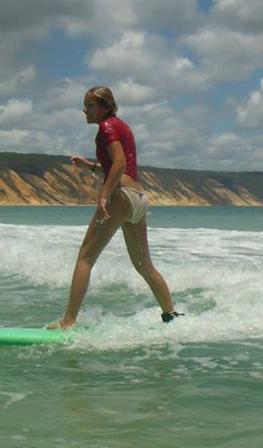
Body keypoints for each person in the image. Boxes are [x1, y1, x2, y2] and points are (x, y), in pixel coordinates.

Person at [49, 86, 180, 329]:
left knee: (85, 258)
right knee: (144, 265)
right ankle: (171, 314)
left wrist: (104, 195)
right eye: (85, 105)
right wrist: (89, 166)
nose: (84, 110)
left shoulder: (106, 127)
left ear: (104, 107)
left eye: (90, 106)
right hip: (138, 199)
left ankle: (68, 322)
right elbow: (118, 166)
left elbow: (118, 164)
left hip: (120, 197)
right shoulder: (122, 126)